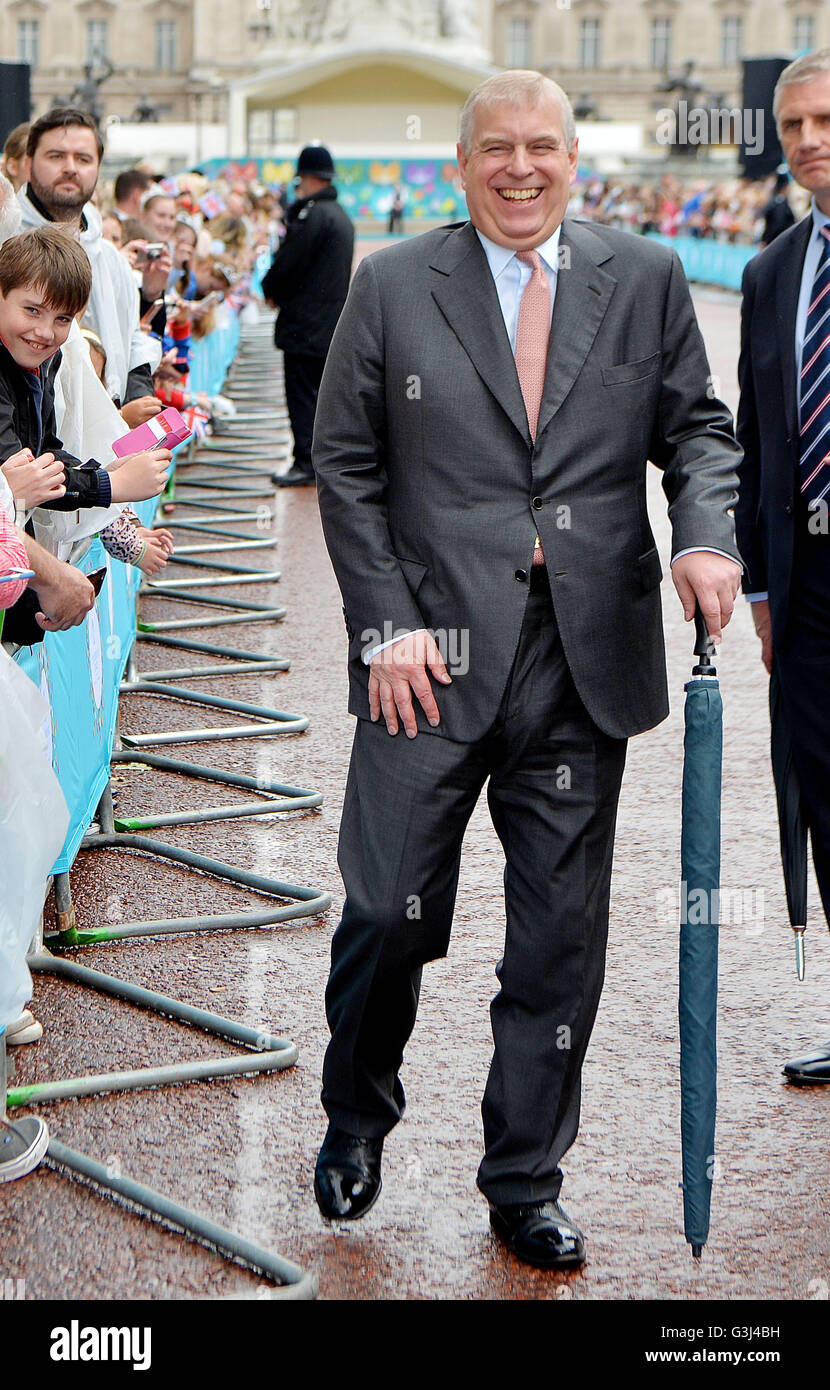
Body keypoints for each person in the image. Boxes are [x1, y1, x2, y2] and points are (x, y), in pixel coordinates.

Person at [310, 70, 743, 1270]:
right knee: (387, 915)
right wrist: (383, 621)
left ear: (570, 158)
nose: (518, 167)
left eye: (539, 147)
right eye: (493, 147)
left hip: (578, 659)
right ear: (458, 163)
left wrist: (704, 534)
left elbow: (695, 428)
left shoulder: (644, 276)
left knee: (557, 938)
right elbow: (340, 459)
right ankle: (356, 1115)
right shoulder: (396, 282)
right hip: (425, 662)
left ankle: (523, 1177)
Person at [736, 48, 830, 1085]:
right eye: (791, 124)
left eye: (822, 120)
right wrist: (761, 584)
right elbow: (757, 437)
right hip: (805, 587)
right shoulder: (771, 270)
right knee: (823, 794)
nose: (806, 140)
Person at [17, 108, 167, 425]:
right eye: (56, 156)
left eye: (83, 159)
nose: (70, 168)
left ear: (97, 170)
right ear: (28, 165)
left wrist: (138, 396)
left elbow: (132, 338)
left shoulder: (109, 257)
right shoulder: (9, 245)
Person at [261, 143, 354, 487]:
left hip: (304, 324)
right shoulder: (339, 214)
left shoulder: (311, 214)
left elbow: (289, 264)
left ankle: (305, 462)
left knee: (301, 396)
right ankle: (320, 461)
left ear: (306, 176)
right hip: (329, 323)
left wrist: (270, 288)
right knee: (320, 397)